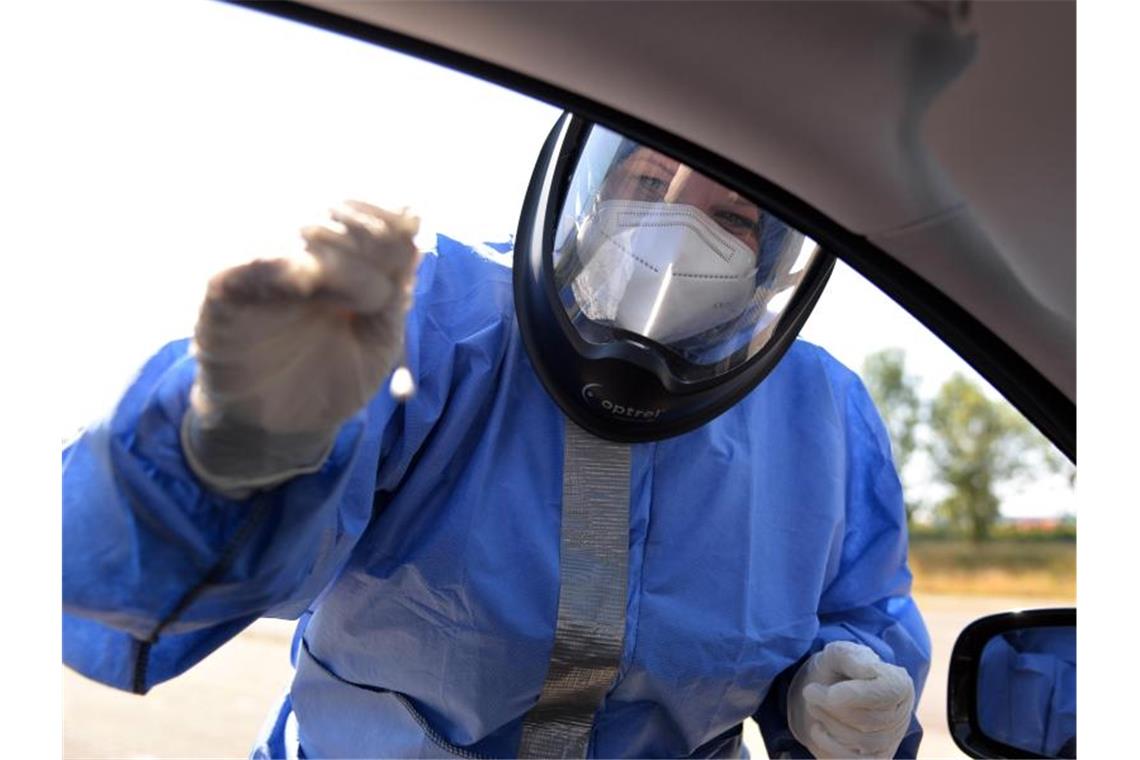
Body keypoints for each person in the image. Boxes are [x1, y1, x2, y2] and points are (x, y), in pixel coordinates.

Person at [63, 117, 931, 759]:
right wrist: (233, 441)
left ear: (778, 262)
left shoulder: (822, 413)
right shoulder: (433, 319)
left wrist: (846, 702)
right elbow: (115, 579)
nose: (678, 229)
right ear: (583, 193)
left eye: (735, 219)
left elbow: (860, 618)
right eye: (644, 182)